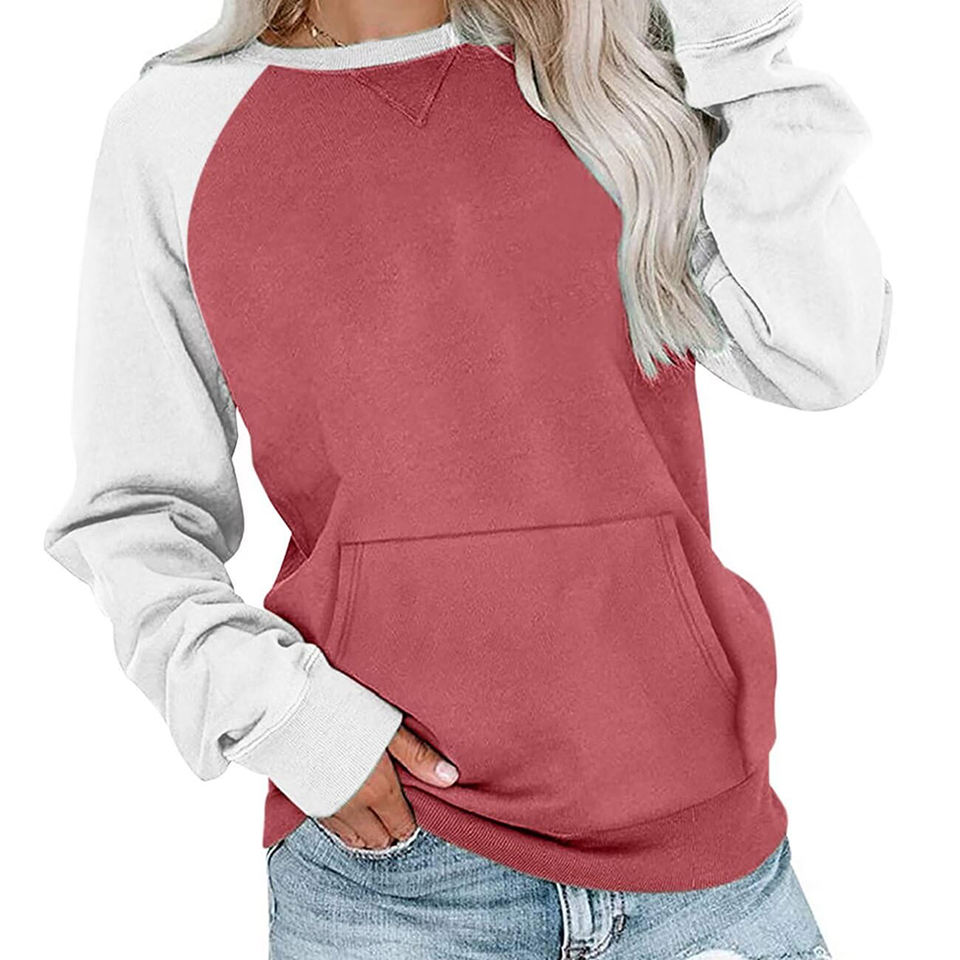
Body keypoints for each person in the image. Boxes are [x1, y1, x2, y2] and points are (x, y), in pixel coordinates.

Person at [43, 1, 891, 957]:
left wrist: (733, 40)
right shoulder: (178, 125)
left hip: (699, 851)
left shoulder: (611, 77)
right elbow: (134, 512)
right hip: (399, 871)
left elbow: (825, 354)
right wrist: (290, 722)